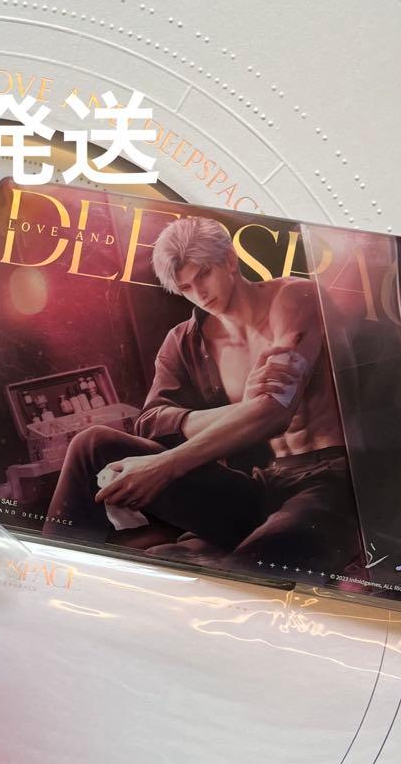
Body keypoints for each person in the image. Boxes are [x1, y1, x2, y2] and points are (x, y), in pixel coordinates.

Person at [42, 215, 362, 573]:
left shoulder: (293, 298)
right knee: (93, 444)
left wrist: (165, 466)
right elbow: (150, 422)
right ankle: (47, 569)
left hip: (330, 480)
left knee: (242, 568)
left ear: (230, 260)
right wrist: (242, 409)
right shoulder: (184, 340)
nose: (200, 293)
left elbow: (275, 412)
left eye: (205, 274)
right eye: (186, 287)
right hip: (263, 483)